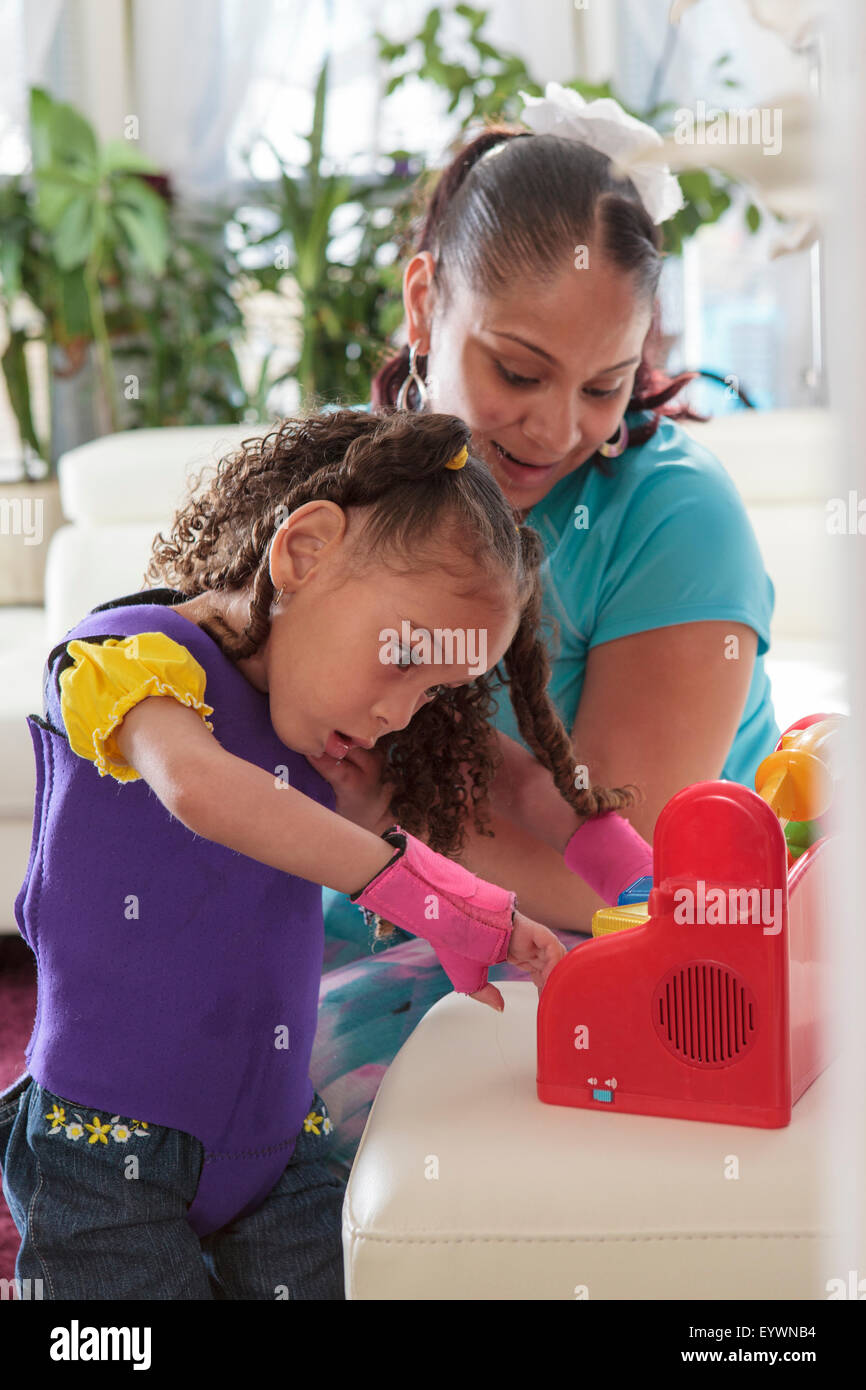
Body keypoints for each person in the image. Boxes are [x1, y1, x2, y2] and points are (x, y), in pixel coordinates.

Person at [0, 408, 650, 1301]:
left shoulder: (316, 729)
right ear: (304, 552)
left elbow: (510, 779)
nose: (401, 711)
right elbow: (198, 787)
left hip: (273, 1136)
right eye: (405, 658)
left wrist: (648, 875)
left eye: (435, 691)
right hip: (106, 1148)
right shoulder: (129, 659)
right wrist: (436, 898)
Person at [314, 85, 780, 1177]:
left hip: (598, 933)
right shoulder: (371, 487)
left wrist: (364, 802)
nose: (555, 426)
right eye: (516, 372)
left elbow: (627, 877)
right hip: (372, 895)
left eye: (602, 386)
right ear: (423, 305)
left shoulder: (672, 515)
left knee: (316, 1135)